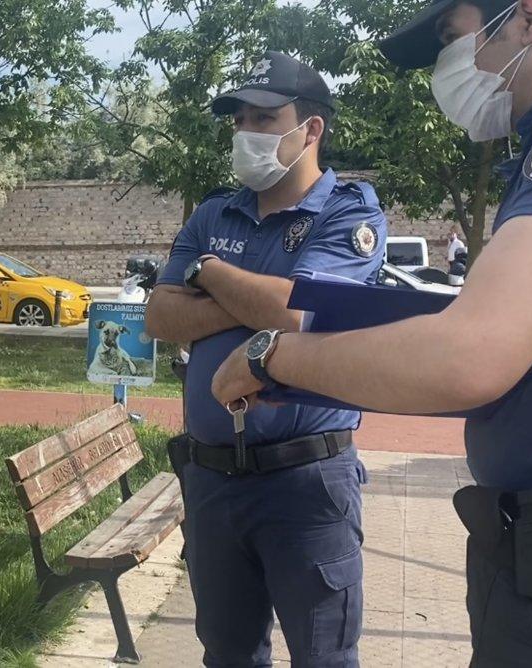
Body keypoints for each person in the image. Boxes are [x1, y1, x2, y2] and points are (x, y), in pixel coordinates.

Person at [209, 1, 532, 664]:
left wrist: (271, 356)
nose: (446, 67)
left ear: (527, 19)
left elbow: (469, 357)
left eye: (450, 39)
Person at [145, 51, 387, 667]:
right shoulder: (213, 211)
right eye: (240, 119)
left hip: (305, 486)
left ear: (311, 130)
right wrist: (262, 293)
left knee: (324, 658)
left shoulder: (350, 212)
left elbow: (296, 315)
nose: (246, 132)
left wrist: (209, 271)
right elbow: (160, 317)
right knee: (228, 655)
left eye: (263, 117)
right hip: (212, 482)